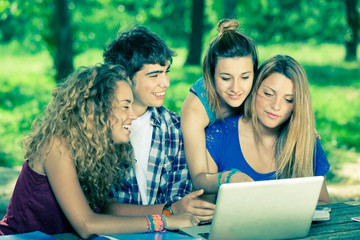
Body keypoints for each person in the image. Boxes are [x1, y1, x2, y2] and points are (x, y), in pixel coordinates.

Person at [0, 64, 199, 237]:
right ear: (98, 109)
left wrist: (171, 210)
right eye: (125, 106)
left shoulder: (100, 149)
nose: (132, 116)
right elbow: (87, 225)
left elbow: (108, 209)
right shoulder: (56, 145)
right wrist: (164, 222)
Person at [103, 26, 215, 221]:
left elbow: (179, 201)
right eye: (154, 75)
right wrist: (170, 209)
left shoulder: (175, 129)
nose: (165, 82)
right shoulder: (100, 128)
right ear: (123, 77)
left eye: (166, 72)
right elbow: (100, 208)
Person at [204, 55, 331, 204]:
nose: (276, 106)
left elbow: (323, 205)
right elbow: (204, 211)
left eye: (288, 100)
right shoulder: (217, 137)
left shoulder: (305, 141)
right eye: (269, 94)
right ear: (253, 89)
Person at [180, 19, 258, 192]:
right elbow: (199, 179)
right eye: (225, 78)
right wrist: (228, 178)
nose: (236, 88)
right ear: (211, 74)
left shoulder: (259, 85)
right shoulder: (195, 108)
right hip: (212, 173)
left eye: (245, 77)